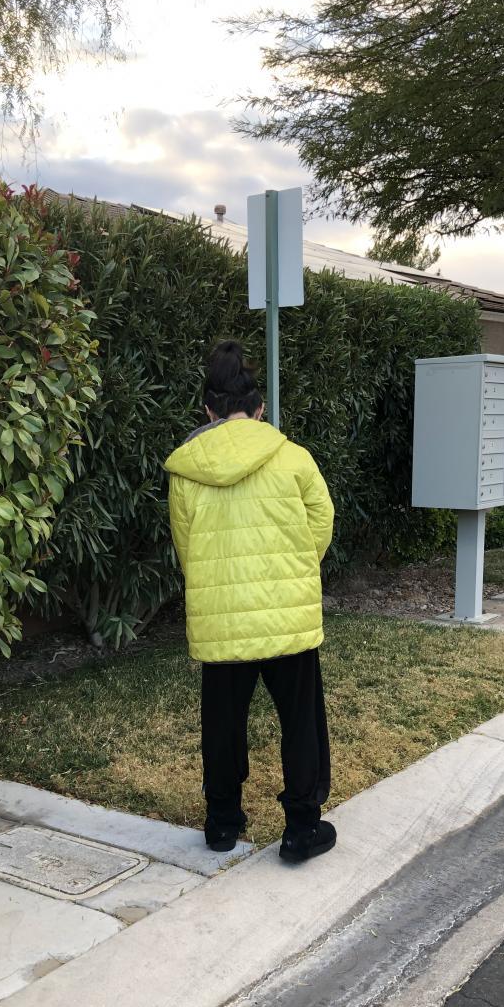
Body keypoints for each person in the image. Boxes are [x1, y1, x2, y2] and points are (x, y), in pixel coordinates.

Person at [165, 340, 336, 864]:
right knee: (300, 722)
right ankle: (302, 828)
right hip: (288, 613)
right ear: (261, 408)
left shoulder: (186, 469)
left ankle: (221, 824)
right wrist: (293, 568)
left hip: (222, 623)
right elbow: (322, 523)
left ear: (208, 410)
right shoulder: (294, 458)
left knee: (222, 725)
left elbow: (187, 547)